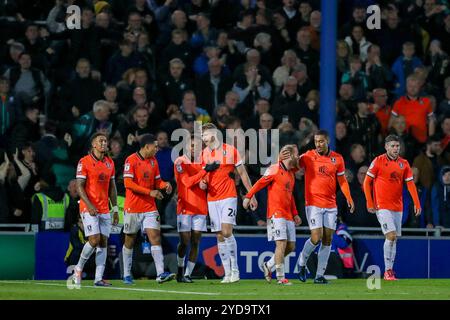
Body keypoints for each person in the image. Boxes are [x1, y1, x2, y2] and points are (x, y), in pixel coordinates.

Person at [293, 130, 355, 284]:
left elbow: (342, 181)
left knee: (327, 239)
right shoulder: (308, 156)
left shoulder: (337, 159)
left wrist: (348, 197)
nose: (318, 144)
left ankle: (319, 275)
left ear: (327, 141)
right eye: (316, 141)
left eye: (321, 141)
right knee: (316, 237)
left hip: (330, 204)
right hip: (313, 203)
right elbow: (292, 165)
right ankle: (302, 262)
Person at [201, 123, 257, 283]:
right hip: (212, 198)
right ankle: (227, 273)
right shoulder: (204, 154)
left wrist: (251, 194)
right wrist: (202, 183)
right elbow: (202, 178)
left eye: (205, 134)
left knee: (226, 231)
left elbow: (243, 174)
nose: (203, 138)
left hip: (228, 196)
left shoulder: (230, 150)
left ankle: (235, 270)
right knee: (219, 234)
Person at [363, 134, 421, 281]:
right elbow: (366, 182)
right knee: (391, 235)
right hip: (382, 205)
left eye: (397, 146)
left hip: (398, 206)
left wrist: (417, 203)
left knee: (394, 239)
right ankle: (388, 271)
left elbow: (410, 184)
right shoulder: (378, 161)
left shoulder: (404, 164)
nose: (395, 149)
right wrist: (369, 202)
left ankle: (390, 271)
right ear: (386, 147)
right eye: (393, 146)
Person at [243, 144, 301, 285]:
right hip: (276, 213)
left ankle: (268, 265)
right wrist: (248, 196)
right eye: (297, 154)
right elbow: (259, 183)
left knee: (291, 247)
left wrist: (295, 213)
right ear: (289, 155)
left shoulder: (291, 173)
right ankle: (281, 278)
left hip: (288, 214)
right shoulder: (274, 169)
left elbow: (290, 195)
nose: (298, 156)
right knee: (281, 244)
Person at [121, 134, 175, 284]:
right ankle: (126, 274)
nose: (157, 149)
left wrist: (165, 185)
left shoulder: (153, 161)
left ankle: (160, 274)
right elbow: (128, 183)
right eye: (155, 146)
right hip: (133, 208)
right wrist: (149, 192)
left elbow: (157, 181)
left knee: (155, 237)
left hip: (149, 207)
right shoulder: (130, 160)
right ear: (146, 147)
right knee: (129, 240)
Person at [71, 133, 119, 287]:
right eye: (101, 141)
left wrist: (116, 209)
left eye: (105, 140)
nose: (104, 143)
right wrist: (89, 205)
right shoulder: (84, 162)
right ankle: (78, 269)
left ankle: (98, 278)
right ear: (94, 145)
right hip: (88, 207)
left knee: (103, 242)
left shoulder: (110, 163)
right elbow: (79, 186)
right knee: (94, 239)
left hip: (104, 208)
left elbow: (112, 188)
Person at [173, 135, 219, 282]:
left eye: (198, 146)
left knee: (196, 241)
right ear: (187, 146)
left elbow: (205, 180)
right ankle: (180, 270)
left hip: (200, 207)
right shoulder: (180, 162)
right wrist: (204, 171)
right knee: (185, 241)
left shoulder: (203, 161)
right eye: (192, 145)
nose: (195, 148)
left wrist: (204, 181)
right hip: (185, 206)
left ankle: (187, 274)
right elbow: (186, 182)